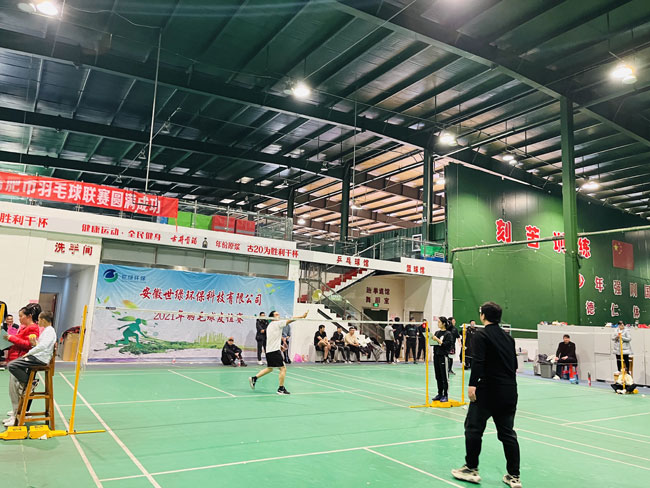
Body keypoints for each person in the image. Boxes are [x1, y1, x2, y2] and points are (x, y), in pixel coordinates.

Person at [452, 302, 521, 488]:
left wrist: (472, 385)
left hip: (488, 390)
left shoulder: (481, 335)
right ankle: (514, 476)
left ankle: (471, 469)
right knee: (507, 433)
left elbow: (478, 361)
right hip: (509, 391)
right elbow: (514, 366)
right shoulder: (509, 339)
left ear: (483, 316)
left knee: (473, 429)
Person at [5, 309, 53, 428]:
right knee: (13, 388)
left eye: (21, 316)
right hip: (33, 356)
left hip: (36, 358)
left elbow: (40, 346)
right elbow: (38, 345)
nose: (19, 318)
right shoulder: (42, 330)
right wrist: (34, 344)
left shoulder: (46, 330)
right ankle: (16, 412)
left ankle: (30, 383)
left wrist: (28, 351)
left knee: (14, 374)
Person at [249, 310, 307, 395]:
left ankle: (254, 378)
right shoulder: (277, 323)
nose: (278, 315)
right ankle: (281, 389)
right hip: (274, 351)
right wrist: (302, 316)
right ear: (272, 317)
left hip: (269, 351)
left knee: (270, 368)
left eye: (278, 314)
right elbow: (291, 319)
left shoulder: (269, 326)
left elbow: (272, 339)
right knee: (283, 368)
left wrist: (279, 346)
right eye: (276, 314)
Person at [431, 317, 453, 402]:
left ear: (444, 323)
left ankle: (445, 395)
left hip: (443, 356)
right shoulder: (437, 332)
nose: (438, 323)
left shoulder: (448, 334)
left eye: (439, 322)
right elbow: (434, 343)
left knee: (444, 376)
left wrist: (438, 340)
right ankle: (439, 393)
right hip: (436, 356)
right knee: (438, 376)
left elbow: (446, 345)